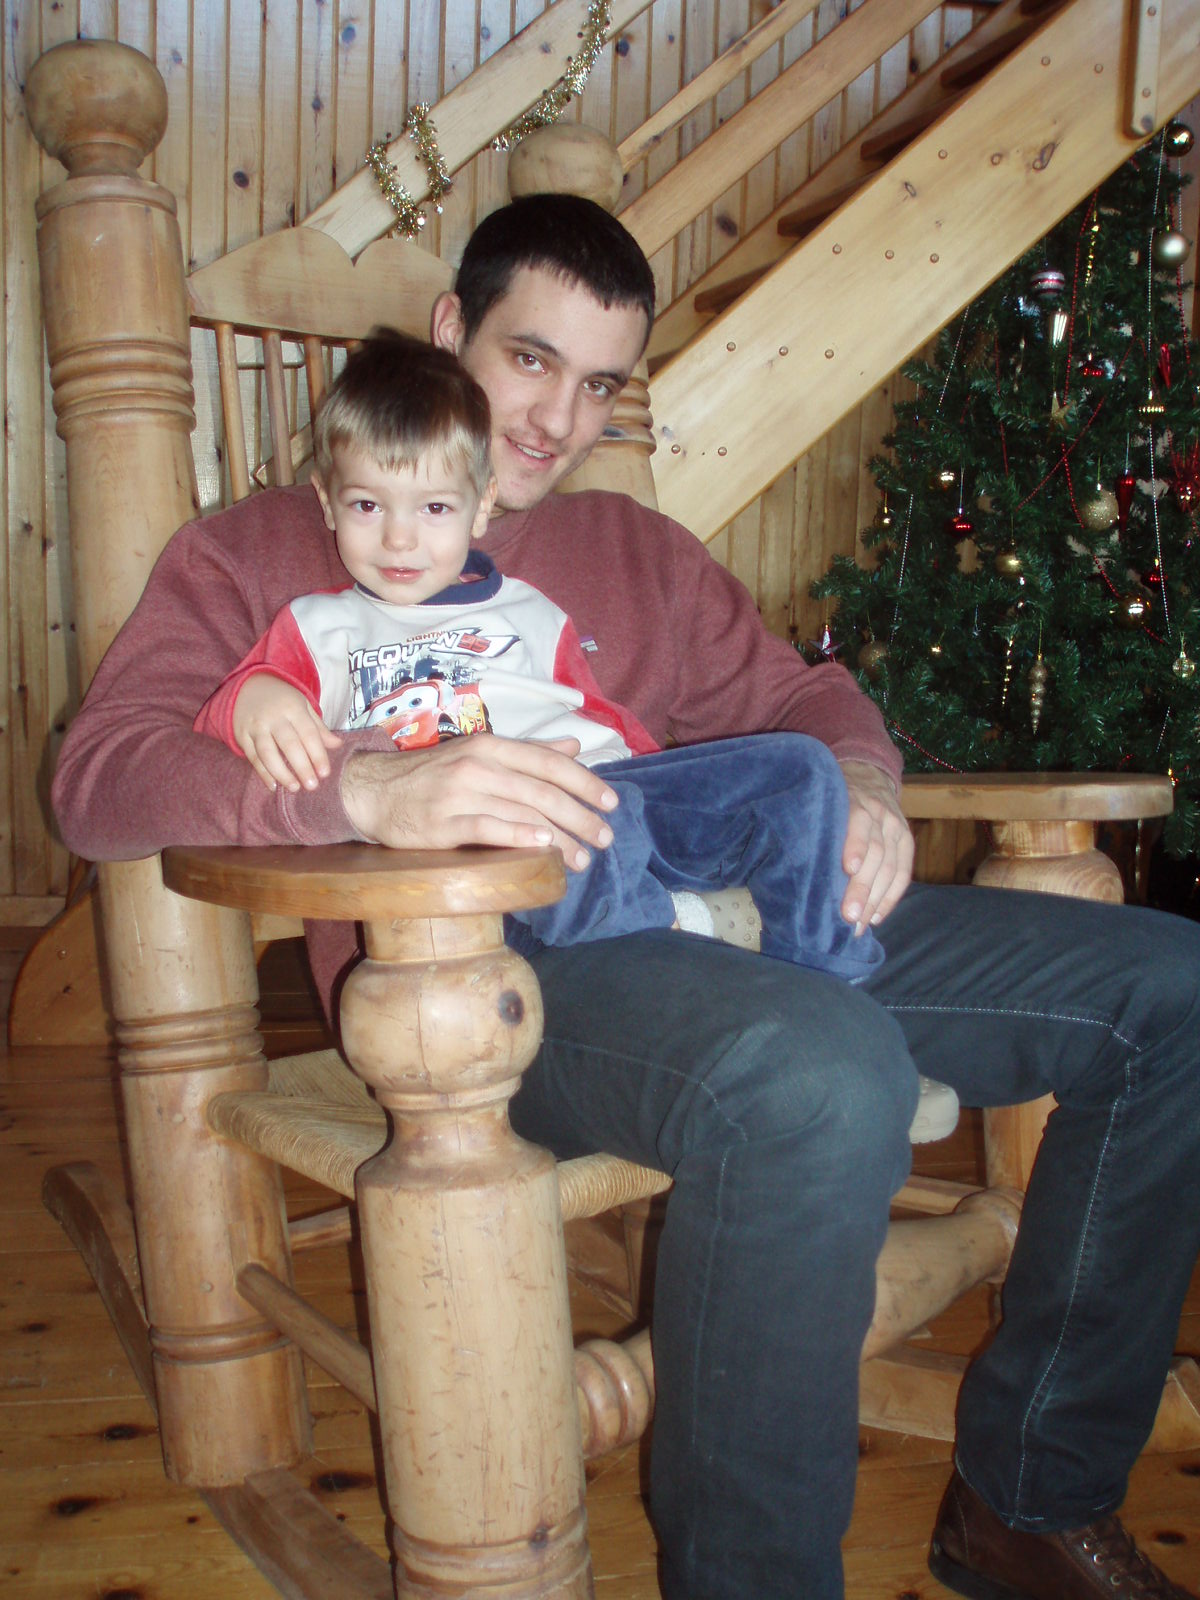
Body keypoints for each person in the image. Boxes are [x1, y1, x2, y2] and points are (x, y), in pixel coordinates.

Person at [51, 191, 1200, 1600]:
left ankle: (1031, 1499)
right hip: (508, 976)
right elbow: (97, 779)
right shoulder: (270, 557)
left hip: (747, 912)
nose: (555, 419)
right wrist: (357, 790)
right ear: (451, 329)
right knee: (821, 1073)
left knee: (1167, 991)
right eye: (530, 359)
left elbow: (803, 698)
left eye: (599, 384)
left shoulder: (634, 551)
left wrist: (864, 782)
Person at [195, 328, 882, 979]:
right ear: (327, 503)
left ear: (481, 506)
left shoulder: (531, 608)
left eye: (434, 509)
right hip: (500, 833)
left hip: (615, 790)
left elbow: (594, 710)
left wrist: (656, 781)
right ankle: (675, 932)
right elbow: (227, 718)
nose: (399, 540)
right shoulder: (317, 626)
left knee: (799, 770)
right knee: (559, 844)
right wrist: (252, 696)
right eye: (368, 506)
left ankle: (829, 967)